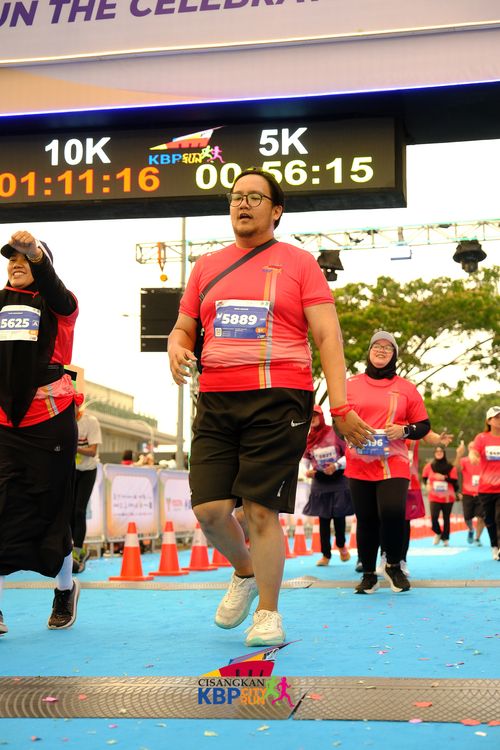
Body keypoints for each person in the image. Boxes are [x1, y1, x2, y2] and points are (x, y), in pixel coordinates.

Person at [168, 167, 372, 646]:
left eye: (255, 197)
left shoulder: (299, 263)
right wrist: (176, 346)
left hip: (280, 399)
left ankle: (268, 612)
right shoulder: (206, 266)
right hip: (217, 400)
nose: (242, 203)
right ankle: (244, 571)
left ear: (276, 211)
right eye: (236, 196)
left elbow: (328, 336)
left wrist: (340, 405)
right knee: (211, 511)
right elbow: (184, 327)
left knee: (260, 511)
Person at [0, 231, 80, 636]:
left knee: (52, 510)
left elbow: (56, 289)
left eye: (27, 258)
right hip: (4, 425)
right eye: (12, 258)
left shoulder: (60, 305)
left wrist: (38, 255)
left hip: (50, 421)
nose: (17, 263)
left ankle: (65, 590)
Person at [344, 331, 431, 595]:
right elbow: (338, 418)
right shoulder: (350, 384)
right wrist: (347, 433)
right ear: (369, 351)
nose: (381, 350)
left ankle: (393, 566)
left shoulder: (406, 388)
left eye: (388, 347)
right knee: (366, 518)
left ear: (394, 355)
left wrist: (404, 430)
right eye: (376, 346)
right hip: (359, 462)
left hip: (394, 461)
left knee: (393, 512)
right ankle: (369, 574)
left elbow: (423, 425)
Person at [302, 404, 353, 566]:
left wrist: (336, 465)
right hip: (320, 482)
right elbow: (305, 460)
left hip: (338, 480)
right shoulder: (308, 438)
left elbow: (348, 454)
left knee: (339, 516)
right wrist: (307, 471)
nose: (313, 419)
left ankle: (341, 545)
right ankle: (325, 555)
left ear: (322, 416)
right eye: (310, 416)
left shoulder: (335, 432)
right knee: (323, 520)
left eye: (315, 415)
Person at [72, 403, 102, 573]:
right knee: (68, 511)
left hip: (88, 470)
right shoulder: (64, 420)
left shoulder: (90, 421)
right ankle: (74, 550)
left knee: (79, 510)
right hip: (71, 469)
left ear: (78, 407)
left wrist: (74, 448)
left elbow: (92, 451)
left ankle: (77, 552)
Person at [470, 406, 500, 560]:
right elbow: (474, 451)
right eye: (497, 417)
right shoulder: (482, 438)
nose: (499, 420)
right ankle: (494, 546)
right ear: (489, 421)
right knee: (489, 520)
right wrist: (473, 456)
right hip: (486, 488)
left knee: (499, 517)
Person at [422, 447, 459, 546]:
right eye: (437, 451)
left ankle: (445, 538)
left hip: (448, 497)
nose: (439, 453)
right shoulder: (429, 466)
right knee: (434, 517)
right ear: (434, 453)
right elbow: (424, 478)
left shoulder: (450, 467)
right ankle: (438, 533)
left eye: (441, 451)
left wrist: (444, 478)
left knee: (446, 518)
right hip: (434, 496)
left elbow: (454, 480)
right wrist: (427, 484)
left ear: (444, 453)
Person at [454, 440, 485, 545]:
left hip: (482, 493)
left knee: (481, 517)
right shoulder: (464, 461)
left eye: (475, 447)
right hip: (467, 493)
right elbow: (456, 469)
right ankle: (471, 529)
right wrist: (458, 454)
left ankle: (477, 538)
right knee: (467, 517)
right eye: (471, 447)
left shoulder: (484, 461)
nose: (473, 449)